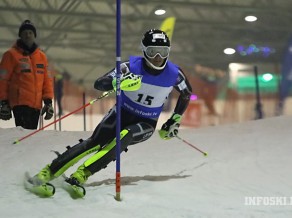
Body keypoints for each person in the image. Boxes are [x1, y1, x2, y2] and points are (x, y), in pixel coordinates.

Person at [29, 29, 192, 197]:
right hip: (121, 113)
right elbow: (99, 83)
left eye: (163, 52)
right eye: (152, 51)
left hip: (146, 123)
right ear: (144, 51)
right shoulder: (130, 67)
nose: (158, 57)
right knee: (94, 142)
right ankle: (46, 173)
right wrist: (118, 82)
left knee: (124, 137)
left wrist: (175, 120)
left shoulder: (175, 74)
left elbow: (187, 93)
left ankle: (80, 176)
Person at [0, 20, 54, 129]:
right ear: (20, 36)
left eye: (30, 32)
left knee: (30, 137)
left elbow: (47, 81)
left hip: (36, 106)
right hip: (20, 105)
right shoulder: (10, 55)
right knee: (24, 135)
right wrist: (4, 103)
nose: (28, 35)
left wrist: (48, 102)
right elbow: (3, 80)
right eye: (24, 33)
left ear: (34, 35)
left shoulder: (42, 57)